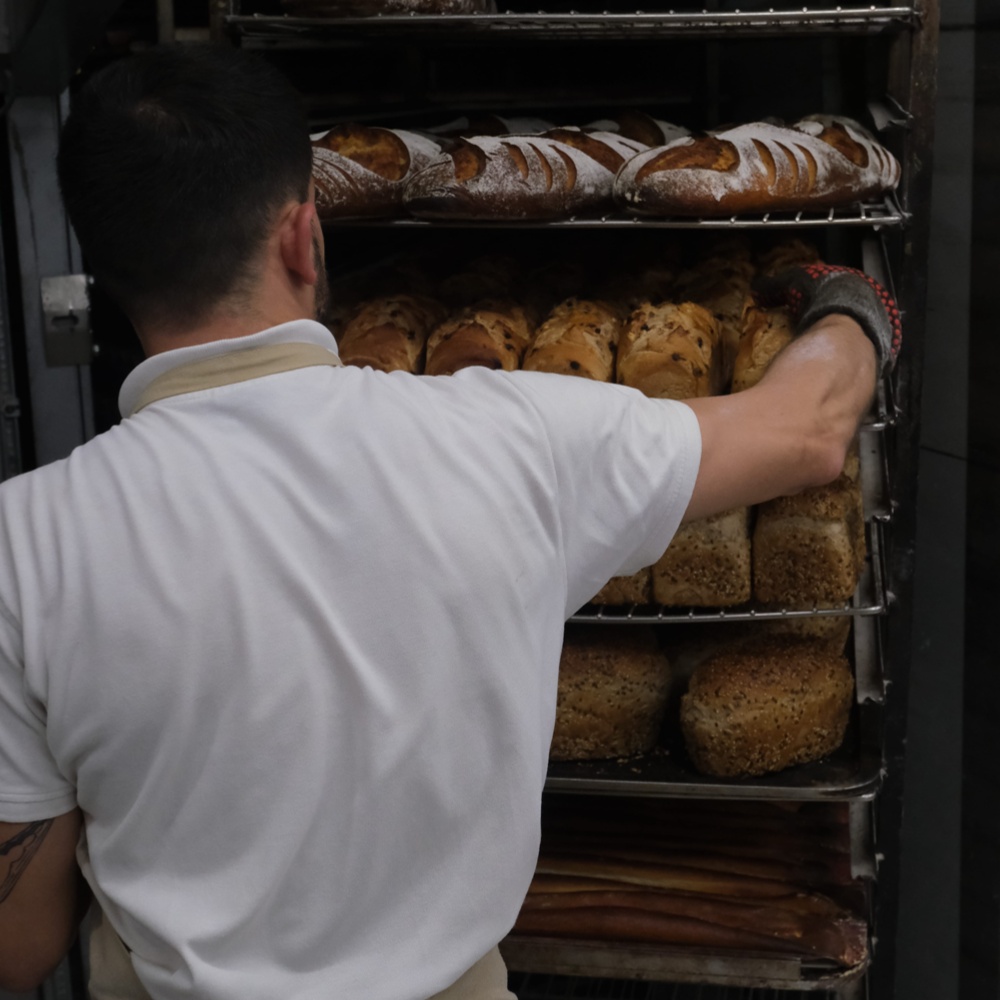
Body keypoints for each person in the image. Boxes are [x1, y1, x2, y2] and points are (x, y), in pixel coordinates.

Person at [0, 43, 896, 1000]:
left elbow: (20, 947)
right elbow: (806, 433)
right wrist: (847, 301)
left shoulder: (25, 545)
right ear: (305, 236)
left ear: (98, 274)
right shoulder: (510, 436)